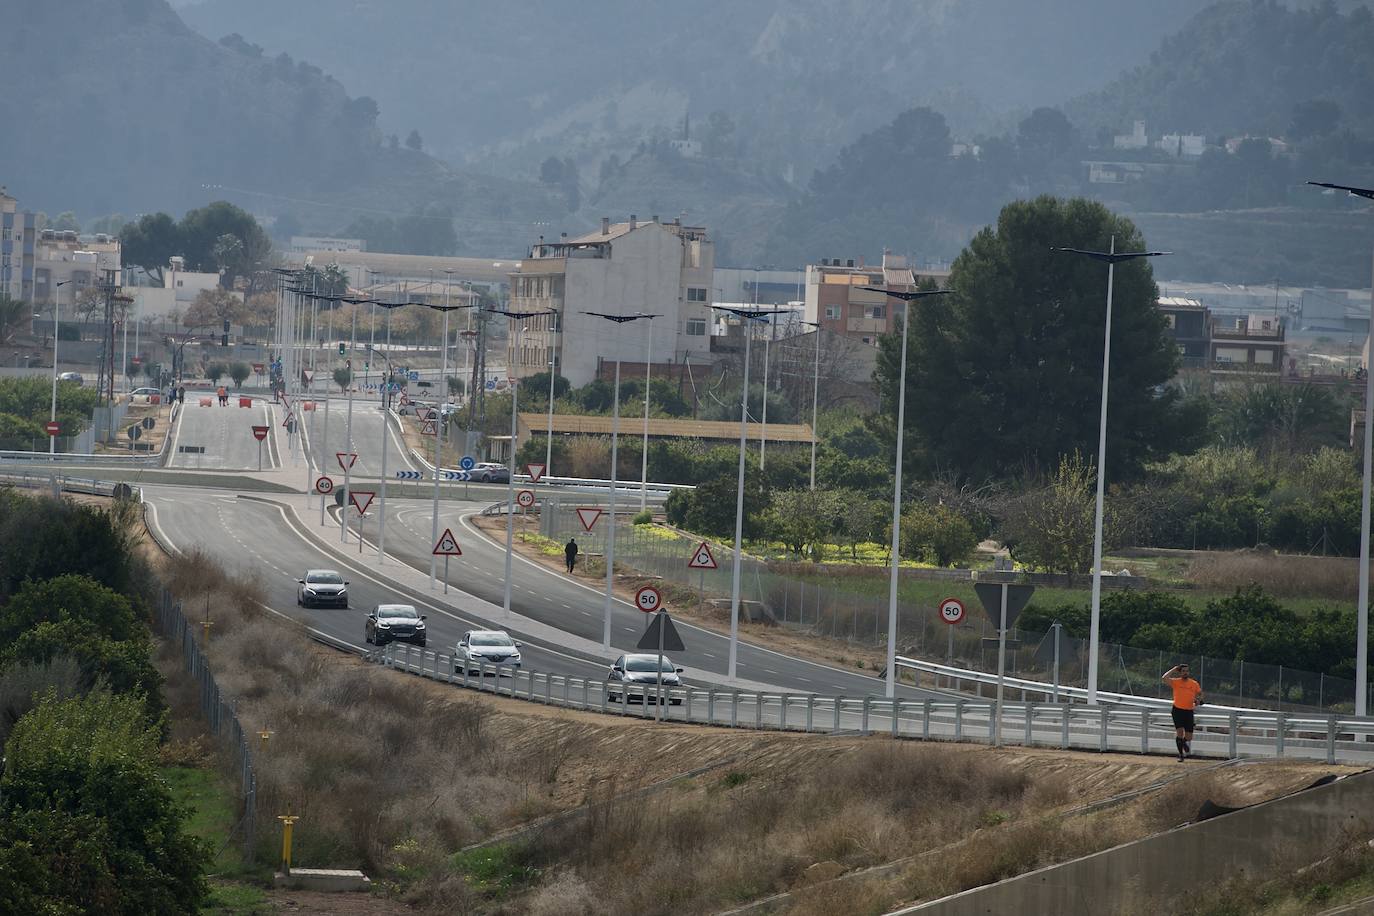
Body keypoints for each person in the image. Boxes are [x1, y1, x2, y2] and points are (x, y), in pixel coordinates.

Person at [1162, 663, 1203, 761]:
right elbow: (1164, 678)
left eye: (1187, 671)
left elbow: (1200, 694)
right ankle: (1181, 755)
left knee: (1189, 736)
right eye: (1183, 671)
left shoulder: (1194, 683)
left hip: (1189, 711)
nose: (1185, 673)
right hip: (1177, 710)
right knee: (1179, 732)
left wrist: (1198, 700)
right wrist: (1174, 669)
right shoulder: (1176, 682)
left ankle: (1184, 743)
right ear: (1180, 673)